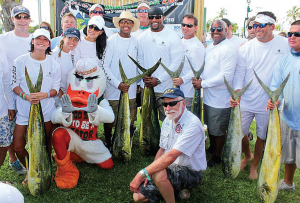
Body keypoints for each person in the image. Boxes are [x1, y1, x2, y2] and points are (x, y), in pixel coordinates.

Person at [231, 11, 290, 179]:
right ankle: (247, 155)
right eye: (254, 26)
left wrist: (280, 98)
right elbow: (239, 74)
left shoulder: (284, 44)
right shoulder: (246, 48)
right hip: (247, 100)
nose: (257, 29)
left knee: (262, 136)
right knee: (240, 132)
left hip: (269, 103)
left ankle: (255, 165)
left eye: (261, 25)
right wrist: (236, 92)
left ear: (272, 26)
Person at [130, 87, 206, 202]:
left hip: (191, 172)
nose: (168, 108)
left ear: (184, 103)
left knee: (159, 173)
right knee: (138, 197)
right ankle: (171, 186)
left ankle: (178, 188)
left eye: (173, 103)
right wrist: (149, 174)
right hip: (169, 167)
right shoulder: (167, 120)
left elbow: (171, 156)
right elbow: (162, 150)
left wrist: (143, 173)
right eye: (165, 105)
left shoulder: (193, 124)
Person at [11, 29, 61, 183]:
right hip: (24, 112)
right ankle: (31, 168)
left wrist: (44, 95)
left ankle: (46, 170)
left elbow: (56, 89)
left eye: (45, 39)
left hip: (45, 111)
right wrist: (26, 96)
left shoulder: (54, 64)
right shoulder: (19, 61)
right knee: (18, 146)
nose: (41, 41)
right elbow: (14, 85)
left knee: (46, 143)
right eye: (38, 38)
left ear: (49, 44)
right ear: (32, 41)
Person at [192, 19, 237, 167]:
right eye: (213, 29)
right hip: (209, 97)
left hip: (220, 99)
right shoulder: (211, 47)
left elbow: (226, 76)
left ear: (226, 30)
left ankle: (218, 156)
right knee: (211, 126)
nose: (215, 32)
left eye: (219, 29)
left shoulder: (228, 49)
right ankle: (211, 148)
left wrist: (202, 84)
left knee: (218, 130)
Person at [266, 20, 300, 191]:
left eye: (297, 34)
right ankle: (288, 182)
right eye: (290, 34)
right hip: (287, 115)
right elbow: (275, 86)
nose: (292, 37)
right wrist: (274, 98)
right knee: (289, 153)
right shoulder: (283, 61)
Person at [0, 5, 32, 175]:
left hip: (31, 95)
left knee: (28, 130)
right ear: (12, 19)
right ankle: (13, 160)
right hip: (11, 94)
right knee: (12, 130)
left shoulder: (36, 39)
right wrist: (9, 102)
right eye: (18, 17)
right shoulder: (2, 40)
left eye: (25, 17)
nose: (22, 20)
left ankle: (34, 161)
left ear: (29, 20)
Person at [138, 6, 184, 121]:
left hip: (165, 89)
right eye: (151, 17)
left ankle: (167, 140)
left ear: (163, 17)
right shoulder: (142, 37)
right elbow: (139, 60)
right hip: (147, 87)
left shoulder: (173, 36)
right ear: (148, 19)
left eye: (157, 17)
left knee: (167, 121)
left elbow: (175, 64)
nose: (154, 20)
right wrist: (145, 77)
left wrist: (158, 80)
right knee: (147, 121)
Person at [102, 11, 139, 149]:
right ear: (119, 24)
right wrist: (117, 84)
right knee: (110, 120)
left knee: (129, 119)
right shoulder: (111, 41)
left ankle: (125, 143)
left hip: (131, 89)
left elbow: (137, 63)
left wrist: (139, 82)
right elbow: (105, 65)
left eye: (128, 22)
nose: (125, 24)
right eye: (123, 21)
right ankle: (108, 142)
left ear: (132, 25)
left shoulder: (136, 41)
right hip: (113, 89)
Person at [174, 14, 205, 111]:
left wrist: (182, 79)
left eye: (189, 25)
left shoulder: (197, 47)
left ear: (195, 28)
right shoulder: (179, 42)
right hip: (177, 91)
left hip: (188, 94)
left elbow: (198, 70)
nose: (185, 28)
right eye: (183, 25)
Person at [51, 27, 80, 102]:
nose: (72, 42)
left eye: (76, 40)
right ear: (63, 37)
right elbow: (49, 77)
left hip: (70, 97)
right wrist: (59, 90)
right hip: (55, 98)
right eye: (70, 38)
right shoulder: (53, 55)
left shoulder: (75, 54)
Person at [0, 46, 15, 168]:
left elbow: (5, 78)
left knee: (4, 146)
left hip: (2, 110)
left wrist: (10, 105)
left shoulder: (1, 48)